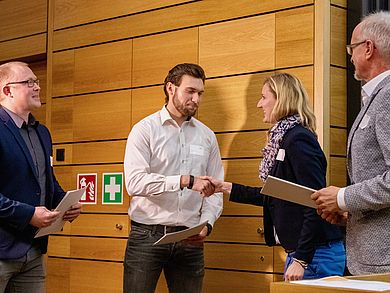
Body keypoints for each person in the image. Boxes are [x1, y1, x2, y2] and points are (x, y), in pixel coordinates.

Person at [206, 73, 345, 281]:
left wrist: (301, 260)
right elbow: (278, 195)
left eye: (263, 97)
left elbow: (314, 201)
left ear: (281, 99)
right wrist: (225, 187)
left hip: (315, 255)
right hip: (302, 253)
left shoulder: (297, 139)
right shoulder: (282, 139)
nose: (258, 104)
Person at [123, 63, 223, 293]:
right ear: (171, 88)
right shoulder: (144, 130)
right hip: (147, 236)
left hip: (191, 238)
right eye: (190, 91)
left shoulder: (207, 136)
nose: (196, 99)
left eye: (200, 93)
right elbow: (135, 182)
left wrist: (207, 223)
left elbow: (214, 189)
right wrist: (184, 180)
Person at [311, 11, 390, 275]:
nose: (350, 56)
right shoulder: (376, 96)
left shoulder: (388, 95)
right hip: (369, 256)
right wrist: (349, 211)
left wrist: (343, 197)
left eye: (352, 48)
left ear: (368, 48)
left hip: (383, 262)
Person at [0, 61, 82, 292]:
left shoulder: (42, 132)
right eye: (29, 82)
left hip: (34, 249)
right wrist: (29, 215)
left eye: (37, 81)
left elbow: (47, 183)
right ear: (8, 90)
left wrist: (65, 203)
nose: (37, 87)